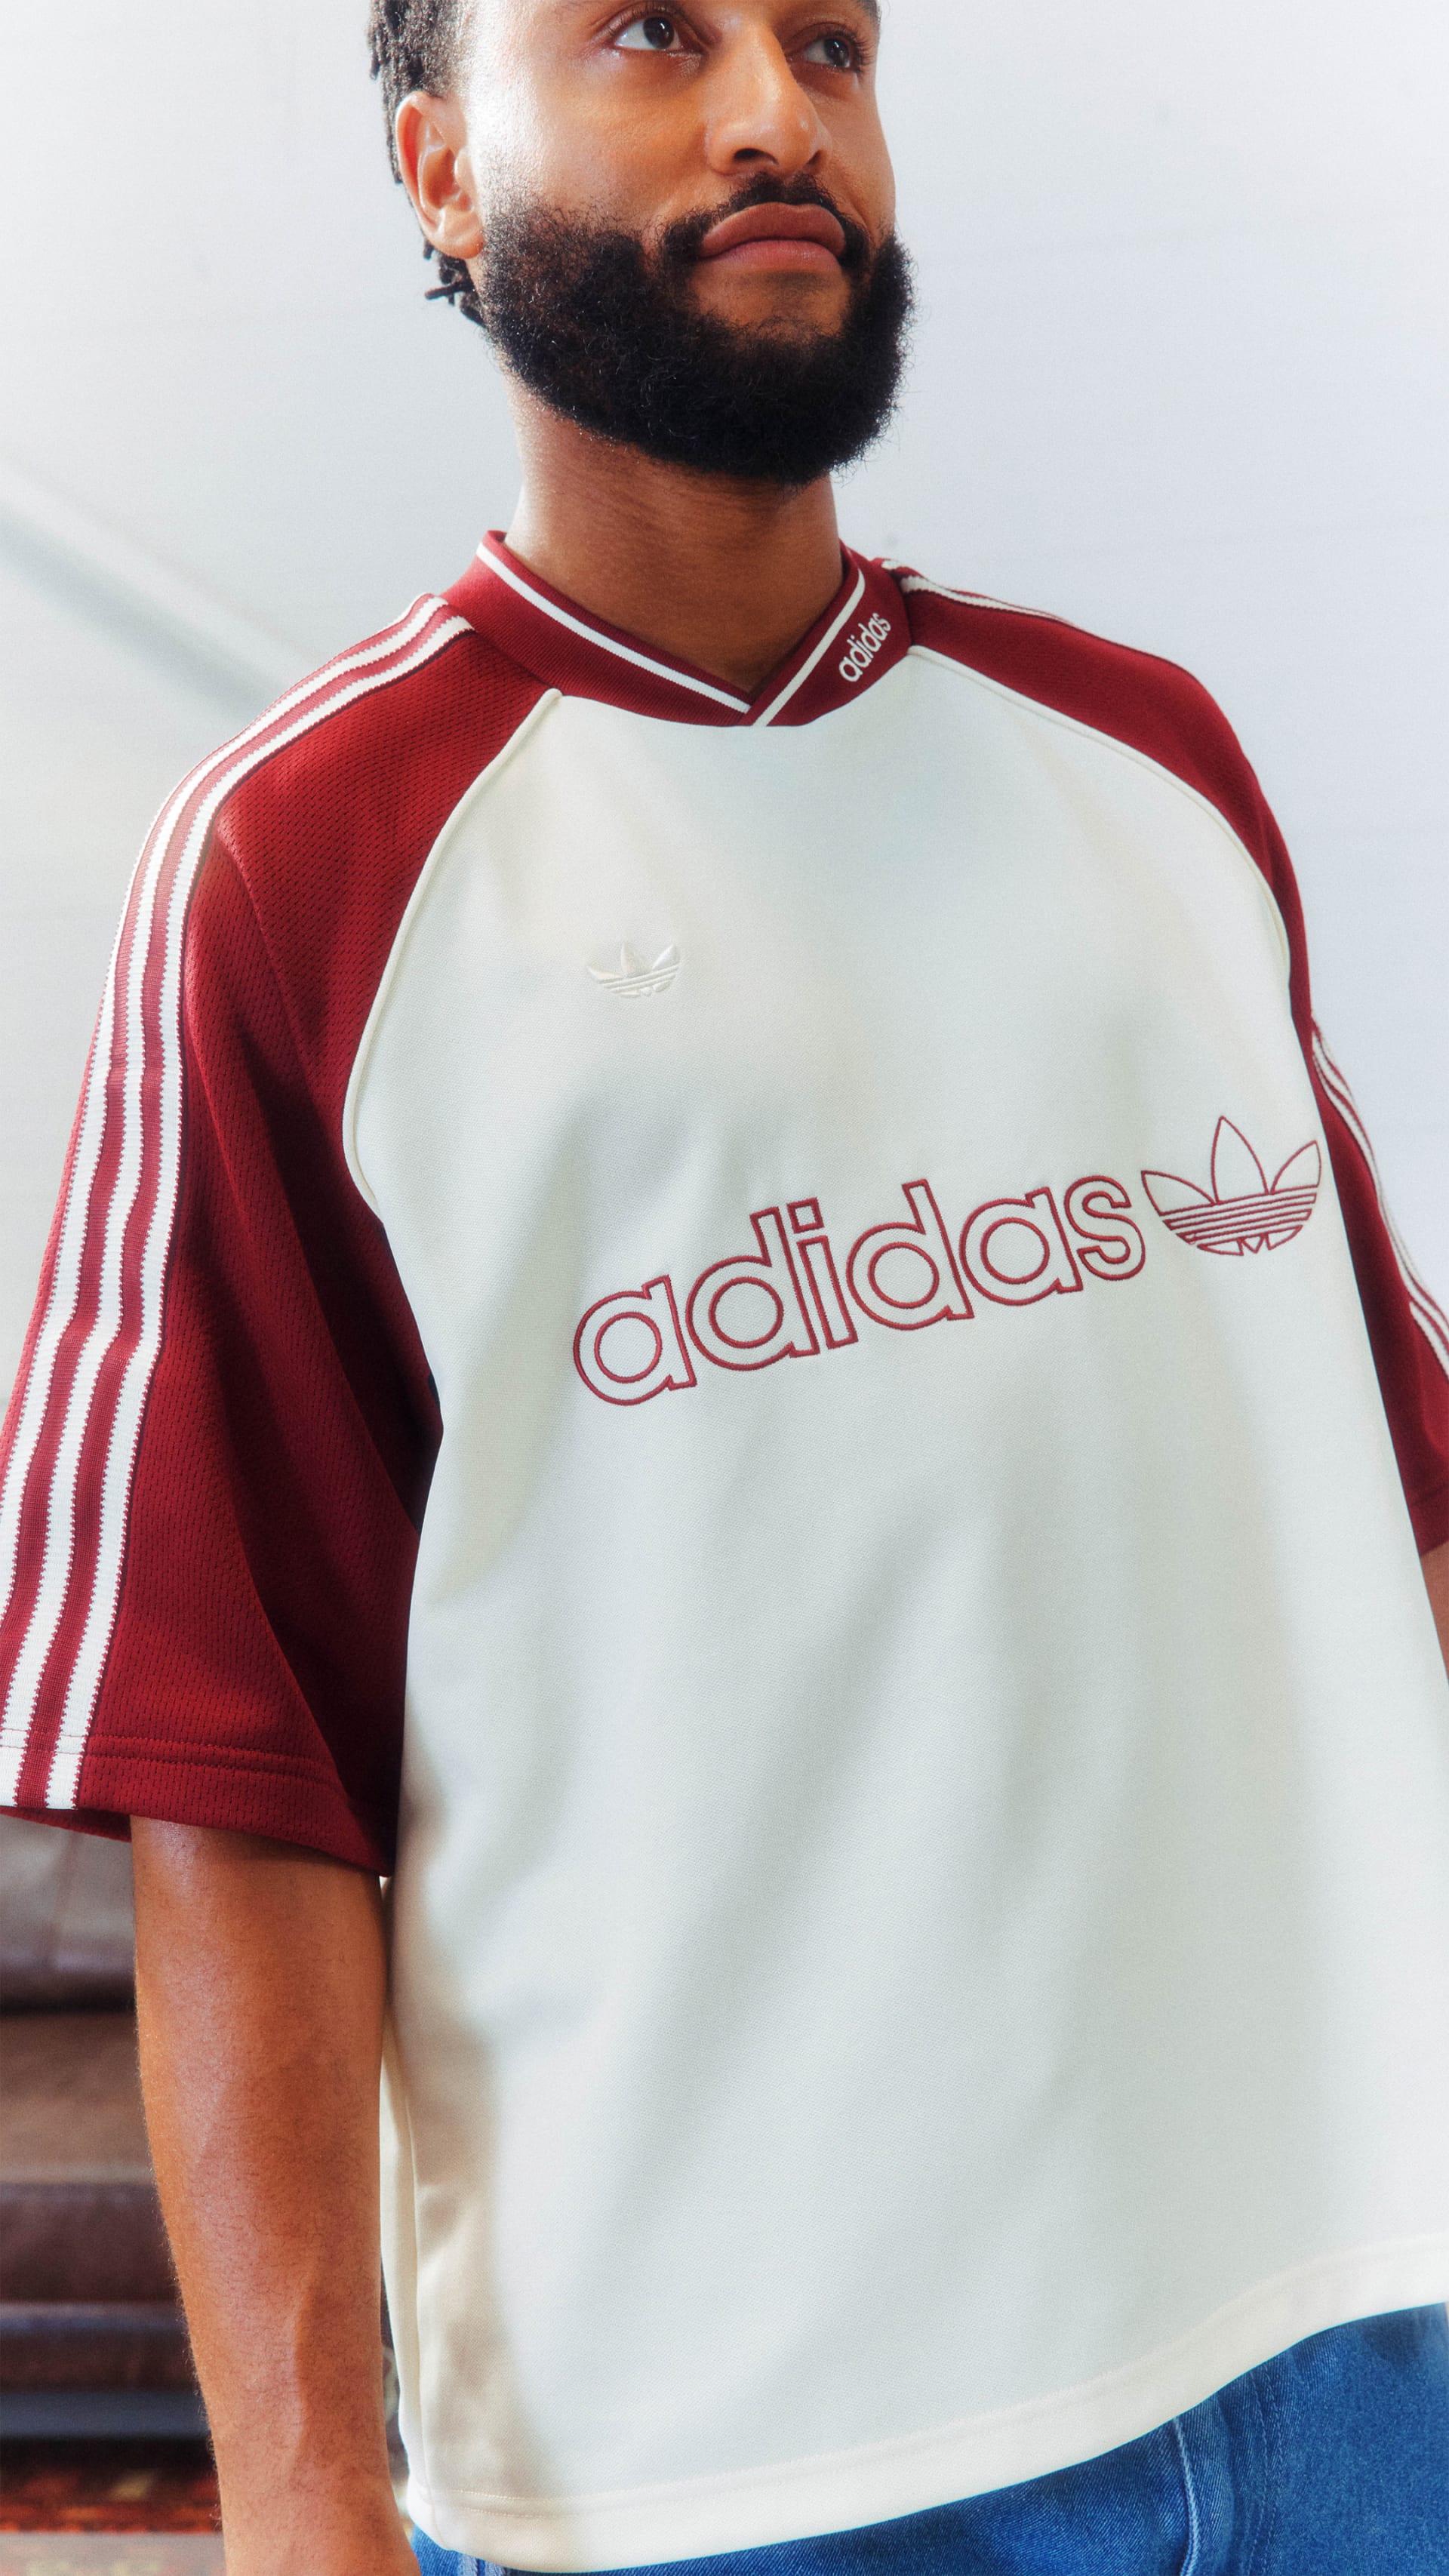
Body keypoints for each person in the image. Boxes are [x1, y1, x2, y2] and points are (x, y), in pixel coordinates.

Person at [2, 1, 1447, 2568]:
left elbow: (1400, 1517)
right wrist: (308, 2508)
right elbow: (237, 1769)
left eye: (833, 44)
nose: (781, 110)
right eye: (656, 33)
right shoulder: (296, 873)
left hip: (1374, 2344)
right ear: (442, 170)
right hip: (732, 2467)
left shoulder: (1154, 762)